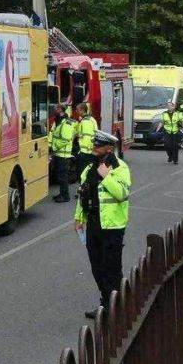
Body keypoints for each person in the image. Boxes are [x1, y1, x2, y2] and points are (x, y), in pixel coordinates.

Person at [73, 130, 131, 319]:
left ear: (109, 148)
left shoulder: (120, 168)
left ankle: (116, 307)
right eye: (94, 144)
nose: (93, 147)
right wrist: (78, 218)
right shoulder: (89, 168)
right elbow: (83, 194)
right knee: (96, 265)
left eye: (98, 145)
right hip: (94, 224)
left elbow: (122, 194)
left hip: (112, 227)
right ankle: (106, 302)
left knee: (111, 268)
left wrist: (107, 177)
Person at [49, 104, 77, 203]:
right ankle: (61, 194)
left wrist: (54, 147)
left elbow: (65, 139)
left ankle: (65, 196)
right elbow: (53, 134)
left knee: (63, 176)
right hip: (58, 154)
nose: (54, 110)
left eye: (56, 108)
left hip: (63, 154)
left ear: (61, 110)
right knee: (59, 176)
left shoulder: (67, 123)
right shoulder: (58, 120)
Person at [74, 103, 99, 179]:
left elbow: (87, 137)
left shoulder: (85, 122)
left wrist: (83, 151)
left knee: (83, 174)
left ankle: (84, 188)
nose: (76, 111)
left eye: (77, 110)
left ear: (82, 110)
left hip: (85, 152)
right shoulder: (90, 119)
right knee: (89, 173)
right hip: (90, 151)